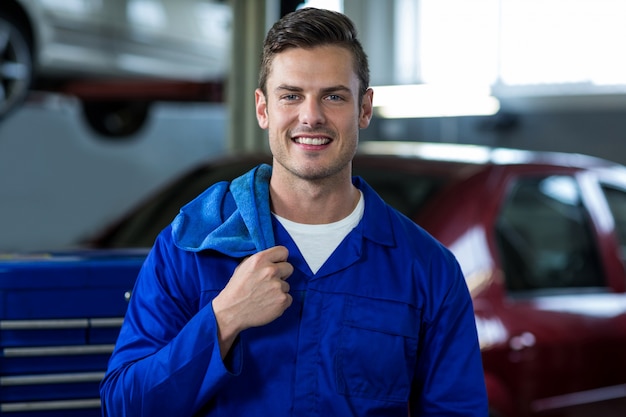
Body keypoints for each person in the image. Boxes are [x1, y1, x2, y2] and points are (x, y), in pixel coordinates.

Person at [100, 7, 488, 416]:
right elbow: (124, 406)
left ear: (364, 108)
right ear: (263, 108)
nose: (311, 116)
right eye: (291, 95)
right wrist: (223, 319)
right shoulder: (192, 248)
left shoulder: (427, 270)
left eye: (333, 96)